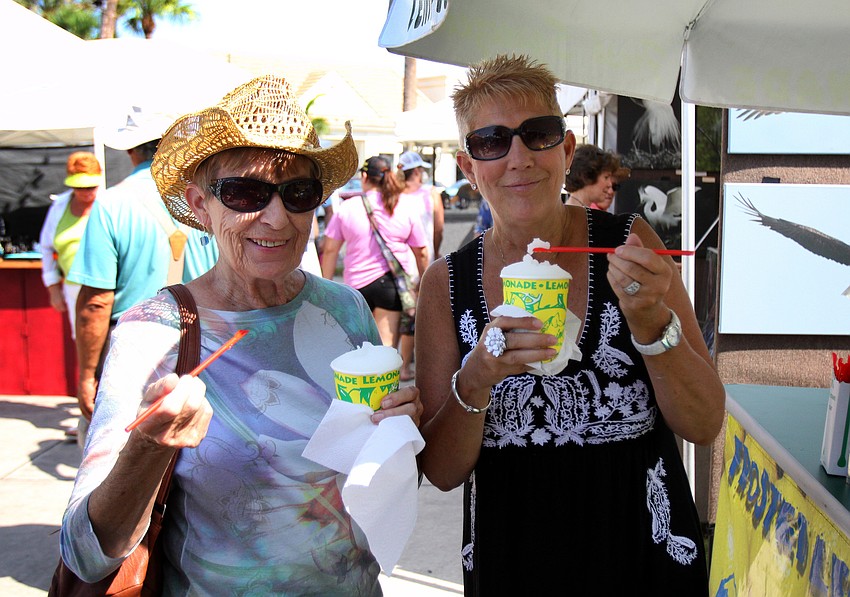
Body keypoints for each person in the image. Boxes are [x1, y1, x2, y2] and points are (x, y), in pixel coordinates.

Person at [58, 75, 423, 595]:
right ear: (201, 205)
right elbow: (84, 551)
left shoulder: (345, 308)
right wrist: (147, 447)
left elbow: (369, 473)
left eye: (297, 193)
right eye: (246, 192)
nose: (276, 217)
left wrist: (398, 427)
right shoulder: (154, 332)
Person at [414, 55, 724, 595]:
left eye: (537, 134)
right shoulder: (447, 284)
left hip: (644, 562)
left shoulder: (629, 244)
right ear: (469, 167)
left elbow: (704, 422)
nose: (518, 158)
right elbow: (441, 472)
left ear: (566, 149)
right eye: (491, 141)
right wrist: (477, 379)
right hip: (514, 562)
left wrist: (652, 323)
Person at [66, 107, 219, 446]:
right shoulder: (206, 198)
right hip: (204, 346)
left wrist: (87, 375)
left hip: (133, 352)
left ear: (132, 149)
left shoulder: (111, 204)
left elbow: (95, 302)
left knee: (120, 456)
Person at [321, 156, 429, 349]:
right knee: (384, 348)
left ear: (364, 176)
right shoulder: (403, 205)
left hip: (355, 288)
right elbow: (421, 251)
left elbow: (330, 250)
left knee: (356, 348)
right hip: (390, 285)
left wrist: (326, 289)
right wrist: (423, 281)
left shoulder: (348, 207)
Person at [39, 151, 103, 338]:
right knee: (83, 343)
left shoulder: (109, 204)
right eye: (80, 187)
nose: (87, 192)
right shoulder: (60, 206)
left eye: (92, 186)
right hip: (73, 287)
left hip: (109, 287)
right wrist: (53, 288)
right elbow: (46, 246)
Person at [397, 150, 445, 381]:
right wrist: (435, 252)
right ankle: (410, 364)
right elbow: (439, 227)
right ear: (416, 171)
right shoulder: (430, 193)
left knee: (400, 312)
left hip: (399, 262)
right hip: (424, 257)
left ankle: (398, 361)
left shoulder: (393, 195)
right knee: (421, 312)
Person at [564, 143, 630, 211]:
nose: (609, 184)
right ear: (587, 176)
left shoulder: (581, 211)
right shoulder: (574, 215)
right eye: (606, 177)